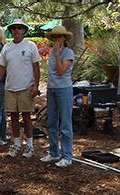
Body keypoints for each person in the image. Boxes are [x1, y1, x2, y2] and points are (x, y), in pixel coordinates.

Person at [0, 19, 40, 158]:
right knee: (12, 117)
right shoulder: (7, 48)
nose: (17, 31)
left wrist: (36, 85)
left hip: (26, 87)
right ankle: (17, 144)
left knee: (26, 117)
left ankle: (30, 146)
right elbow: (1, 67)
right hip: (10, 87)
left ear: (24, 30)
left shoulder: (31, 46)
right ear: (11, 31)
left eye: (19, 28)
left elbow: (36, 67)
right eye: (14, 28)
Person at [40, 26, 75, 168]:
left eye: (59, 37)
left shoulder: (68, 53)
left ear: (64, 38)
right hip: (52, 89)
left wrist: (57, 54)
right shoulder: (52, 52)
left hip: (64, 89)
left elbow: (61, 71)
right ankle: (53, 152)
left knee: (65, 123)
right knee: (52, 122)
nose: (57, 39)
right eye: (54, 37)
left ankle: (67, 156)